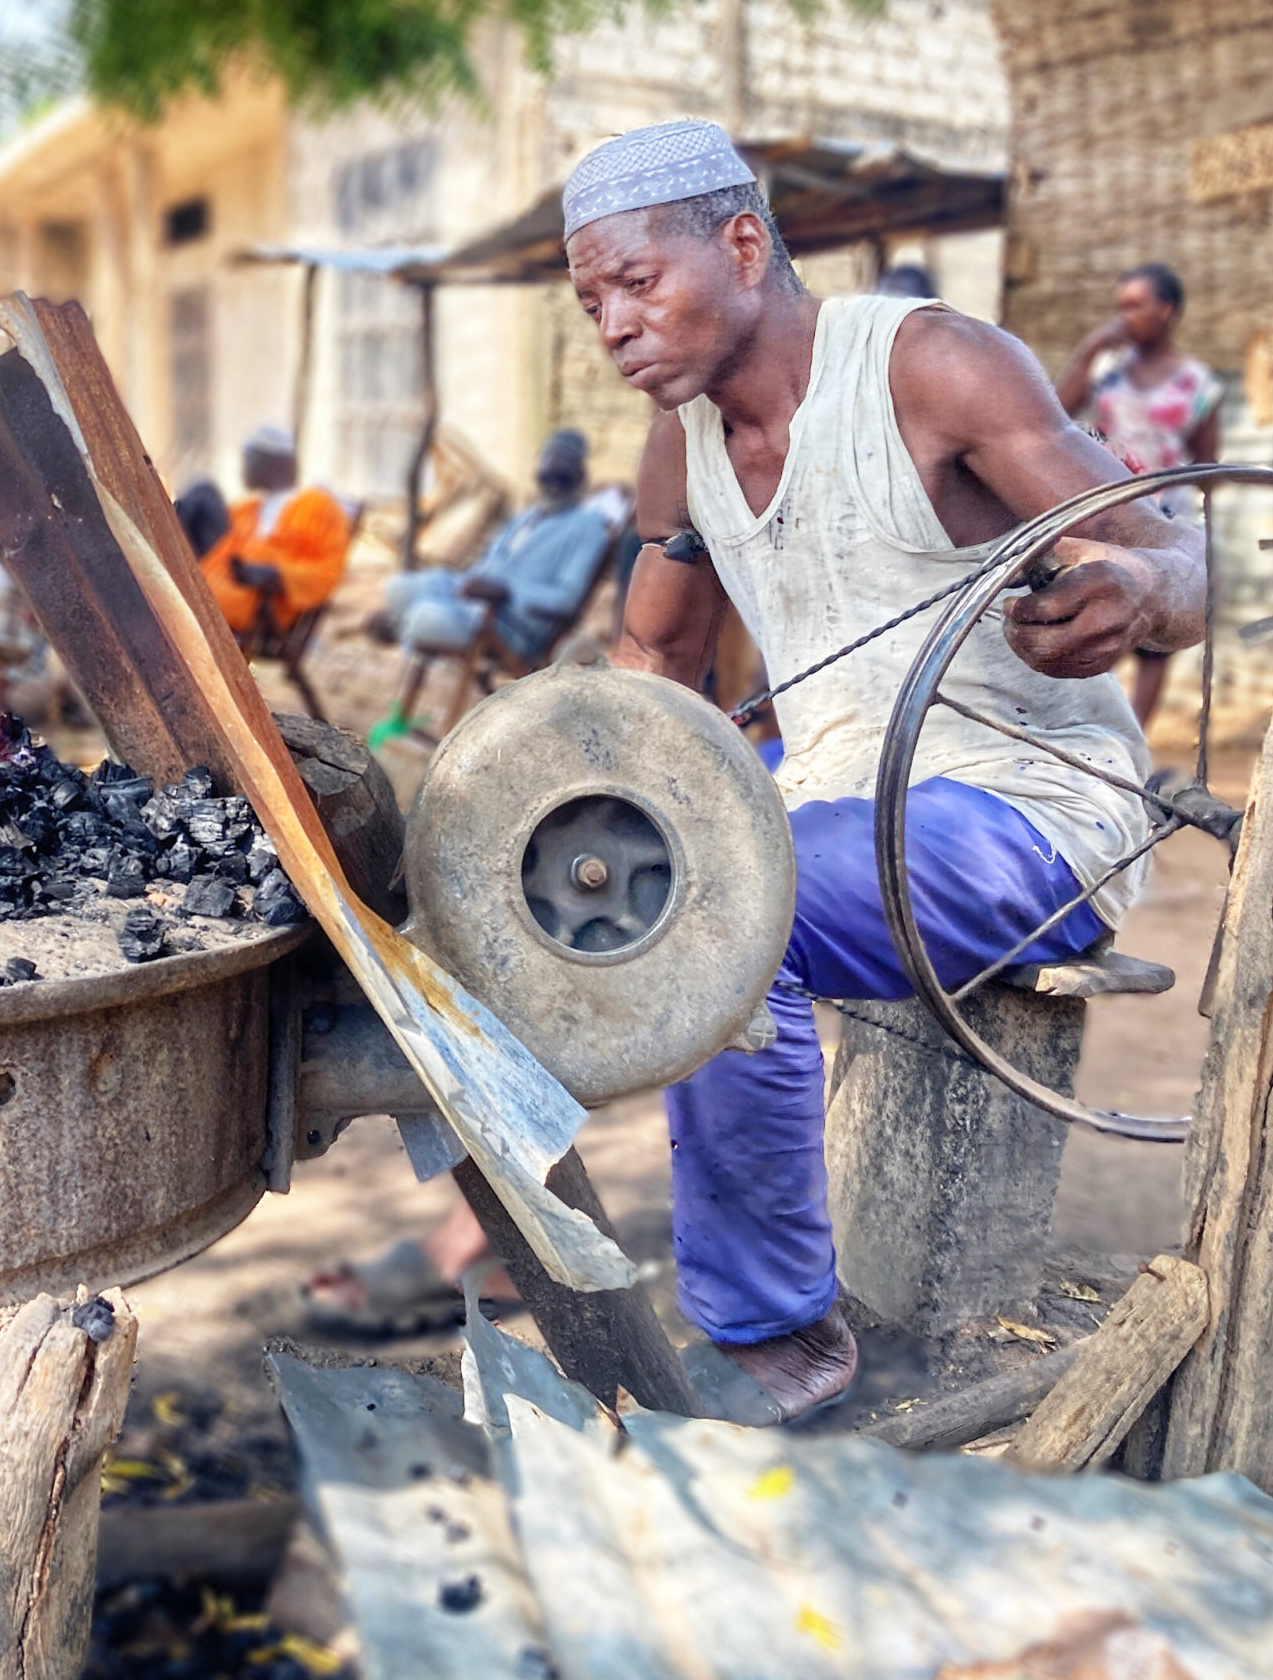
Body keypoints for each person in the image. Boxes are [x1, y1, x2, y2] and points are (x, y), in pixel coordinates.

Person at [311, 122, 1204, 1416]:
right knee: (531, 900)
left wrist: (1137, 585)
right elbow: (649, 667)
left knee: (733, 916)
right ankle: (488, 1247)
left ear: (741, 243)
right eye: (589, 300)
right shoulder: (682, 444)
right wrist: (549, 819)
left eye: (634, 283)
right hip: (821, 788)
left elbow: (1180, 552)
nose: (612, 324)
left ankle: (781, 1345)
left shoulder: (932, 369)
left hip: (1030, 808)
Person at [1054, 264, 1224, 727]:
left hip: (1167, 515)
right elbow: (1054, 415)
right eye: (1120, 307)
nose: (1124, 316)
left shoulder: (1198, 384)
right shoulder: (1107, 370)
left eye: (1135, 305)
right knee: (1099, 615)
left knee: (1154, 638)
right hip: (1106, 510)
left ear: (1165, 310)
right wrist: (1090, 347)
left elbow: (1207, 462)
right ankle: (1085, 731)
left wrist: (1201, 536)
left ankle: (1133, 741)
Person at [373, 428, 614, 660]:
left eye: (563, 474)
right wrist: (466, 584)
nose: (552, 482)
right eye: (547, 472)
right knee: (398, 588)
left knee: (422, 616)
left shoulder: (587, 526)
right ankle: (400, 624)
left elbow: (566, 599)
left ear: (580, 478)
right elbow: (488, 568)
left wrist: (507, 592)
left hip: (509, 622)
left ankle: (401, 627)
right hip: (470, 603)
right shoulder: (527, 516)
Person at [179, 424, 352, 635]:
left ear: (272, 466)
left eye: (248, 461)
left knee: (204, 493)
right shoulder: (249, 509)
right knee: (200, 497)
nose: (242, 469)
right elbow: (222, 547)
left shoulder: (317, 504)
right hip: (224, 578)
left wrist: (275, 574)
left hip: (263, 600)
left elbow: (327, 570)